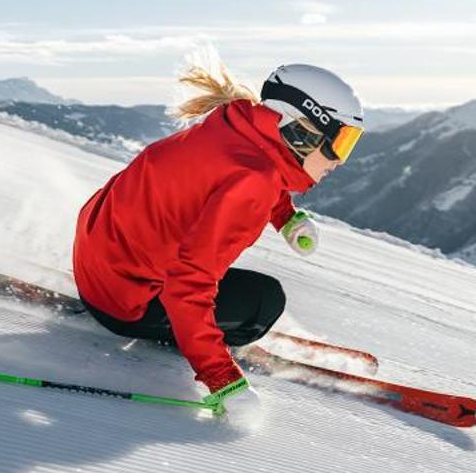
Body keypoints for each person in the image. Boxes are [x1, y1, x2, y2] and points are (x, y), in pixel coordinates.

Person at [72, 61, 365, 415]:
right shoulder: (254, 183)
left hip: (94, 263)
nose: (340, 160)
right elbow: (187, 285)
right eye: (342, 142)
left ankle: (174, 318)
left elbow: (238, 172)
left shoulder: (230, 128)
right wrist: (222, 379)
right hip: (124, 306)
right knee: (264, 301)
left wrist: (286, 218)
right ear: (303, 131)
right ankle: (198, 338)